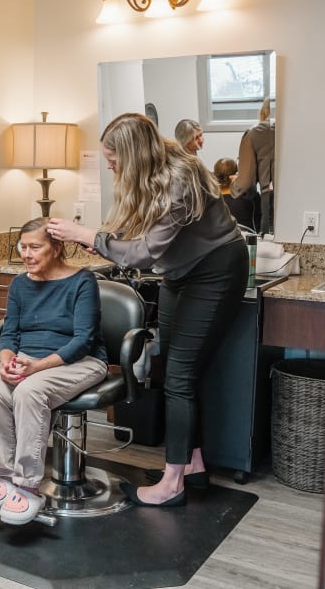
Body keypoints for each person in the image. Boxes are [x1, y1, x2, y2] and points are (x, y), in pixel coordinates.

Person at [48, 113, 248, 507]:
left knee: (180, 377)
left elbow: (143, 253)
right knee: (177, 369)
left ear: (134, 155)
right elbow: (143, 235)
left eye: (114, 159)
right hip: (180, 272)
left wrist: (89, 236)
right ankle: (192, 466)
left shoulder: (180, 179)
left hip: (216, 271)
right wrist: (105, 240)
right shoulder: (152, 174)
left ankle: (171, 485)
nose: (110, 166)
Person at [0, 217, 108, 525]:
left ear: (57, 248)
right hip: (27, 359)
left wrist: (37, 367)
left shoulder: (82, 281)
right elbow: (9, 334)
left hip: (78, 361)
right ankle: (5, 477)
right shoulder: (21, 283)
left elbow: (82, 341)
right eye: (23, 247)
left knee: (29, 391)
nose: (27, 254)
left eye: (35, 247)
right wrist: (6, 360)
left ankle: (27, 485)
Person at [231, 101, 275, 234]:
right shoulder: (291, 130)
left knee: (270, 239)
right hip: (294, 197)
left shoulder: (252, 134)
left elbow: (245, 180)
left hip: (268, 199)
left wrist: (233, 185)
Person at [214, 158, 261, 233]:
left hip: (218, 242)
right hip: (247, 241)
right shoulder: (252, 198)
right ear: (236, 175)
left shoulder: (209, 202)